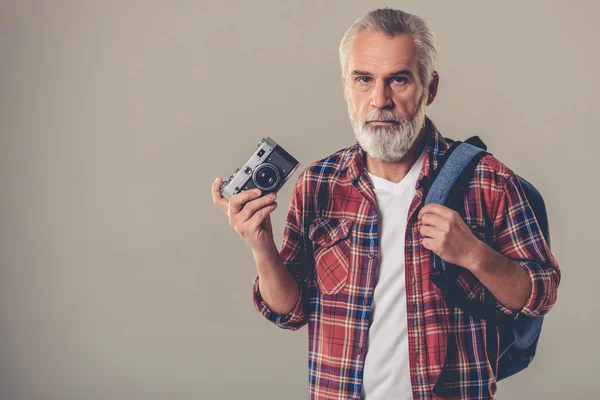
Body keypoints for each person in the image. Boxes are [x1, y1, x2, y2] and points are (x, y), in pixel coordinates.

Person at [211, 8, 560, 400]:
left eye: (398, 80)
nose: (380, 99)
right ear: (346, 87)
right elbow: (290, 311)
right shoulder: (319, 183)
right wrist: (261, 246)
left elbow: (540, 294)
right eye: (364, 80)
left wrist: (475, 255)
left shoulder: (488, 180)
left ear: (430, 87)